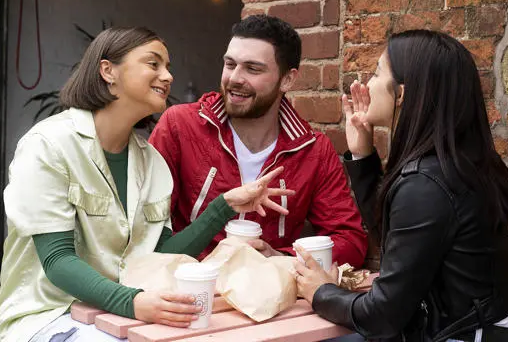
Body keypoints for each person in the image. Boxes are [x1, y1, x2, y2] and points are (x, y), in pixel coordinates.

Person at [0, 27, 294, 342]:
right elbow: (57, 260)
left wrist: (225, 206)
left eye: (168, 67)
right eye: (154, 64)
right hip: (48, 316)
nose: (168, 76)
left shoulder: (152, 163)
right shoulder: (48, 145)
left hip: (119, 314)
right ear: (108, 71)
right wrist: (134, 302)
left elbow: (161, 253)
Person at [294, 30, 508, 341]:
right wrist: (362, 155)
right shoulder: (464, 162)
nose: (366, 85)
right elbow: (397, 241)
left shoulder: (426, 183)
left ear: (402, 95)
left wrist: (321, 292)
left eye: (375, 74)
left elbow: (382, 316)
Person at [149, 15, 367, 268]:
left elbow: (349, 241)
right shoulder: (179, 126)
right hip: (188, 291)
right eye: (230, 65)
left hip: (267, 299)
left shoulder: (313, 150)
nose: (234, 78)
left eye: (252, 69)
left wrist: (282, 258)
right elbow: (146, 230)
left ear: (287, 80)